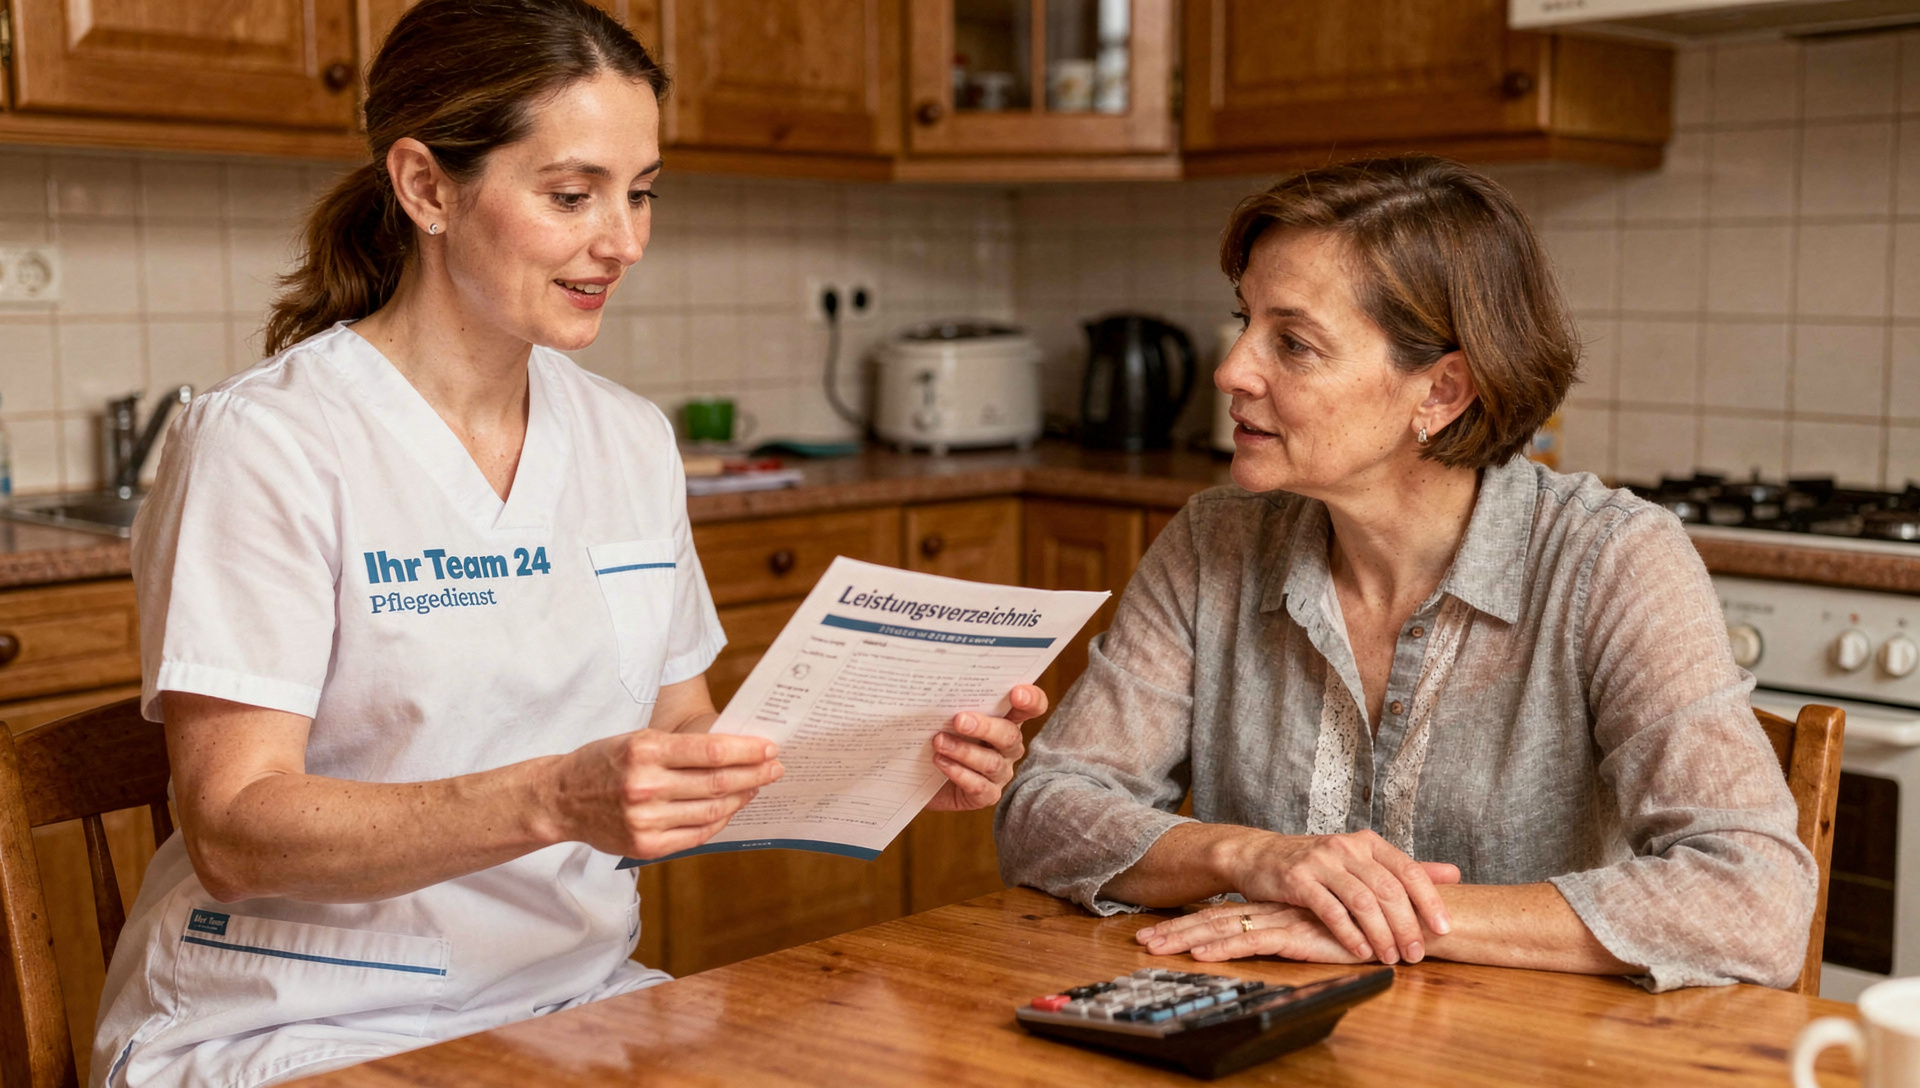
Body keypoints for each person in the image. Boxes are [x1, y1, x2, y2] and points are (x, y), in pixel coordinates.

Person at [95, 3, 1039, 1085]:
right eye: (571, 194)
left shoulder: (629, 440)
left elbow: (681, 734)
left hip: (570, 997)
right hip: (301, 1018)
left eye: (640, 193)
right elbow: (234, 826)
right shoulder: (267, 442)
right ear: (425, 187)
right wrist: (553, 797)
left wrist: (894, 752)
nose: (623, 240)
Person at [995, 156, 1814, 992]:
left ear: (1442, 391)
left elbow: (1756, 900)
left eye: (1294, 343)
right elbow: (1045, 809)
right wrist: (1255, 857)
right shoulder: (1216, 539)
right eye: (1244, 321)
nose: (1231, 370)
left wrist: (1386, 921)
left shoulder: (1611, 560)